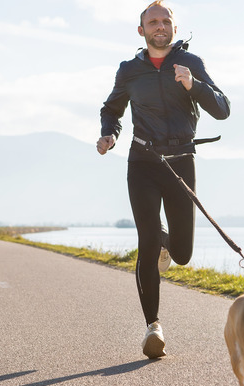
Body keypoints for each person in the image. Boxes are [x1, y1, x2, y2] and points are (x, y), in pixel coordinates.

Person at [96, 1, 230, 359]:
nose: (159, 26)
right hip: (143, 161)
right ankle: (152, 327)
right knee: (148, 240)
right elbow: (112, 110)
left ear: (174, 26)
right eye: (152, 21)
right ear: (141, 31)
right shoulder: (129, 70)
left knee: (183, 254)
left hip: (182, 162)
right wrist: (109, 134)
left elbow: (223, 109)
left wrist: (194, 85)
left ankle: (168, 243)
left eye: (165, 20)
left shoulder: (192, 64)